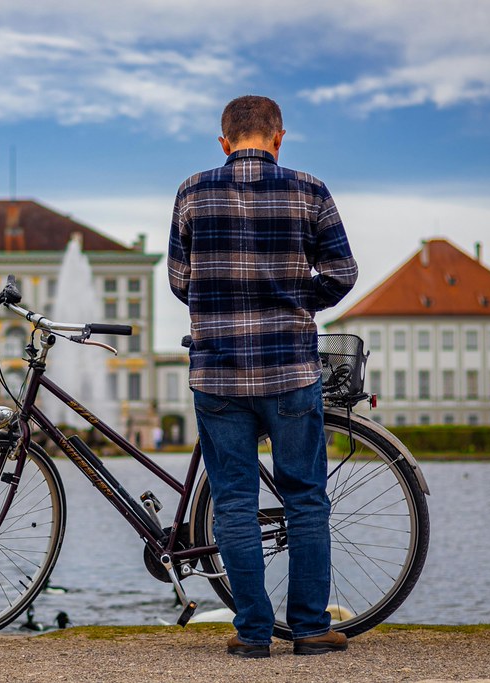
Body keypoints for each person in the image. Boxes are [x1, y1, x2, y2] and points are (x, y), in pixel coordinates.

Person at [167, 95, 358, 658]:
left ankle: (252, 634)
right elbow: (342, 272)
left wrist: (218, 306)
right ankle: (309, 629)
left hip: (219, 372)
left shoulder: (192, 191)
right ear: (279, 137)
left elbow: (182, 280)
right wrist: (297, 301)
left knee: (232, 503)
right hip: (291, 369)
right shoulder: (310, 189)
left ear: (223, 141)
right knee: (304, 498)